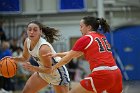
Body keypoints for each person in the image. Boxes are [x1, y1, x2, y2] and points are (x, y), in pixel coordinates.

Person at [48, 16, 123, 93]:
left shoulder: (86, 38)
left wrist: (54, 67)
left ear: (89, 27)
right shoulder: (102, 37)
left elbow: (68, 58)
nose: (80, 29)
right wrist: (57, 54)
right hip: (116, 73)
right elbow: (75, 54)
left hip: (102, 74)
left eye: (81, 26)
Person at [0, 21, 70, 93]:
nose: (31, 32)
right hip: (43, 71)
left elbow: (49, 70)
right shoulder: (27, 41)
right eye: (29, 29)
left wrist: (33, 68)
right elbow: (24, 57)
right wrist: (12, 59)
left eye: (35, 30)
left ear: (40, 32)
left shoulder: (43, 48)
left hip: (57, 73)